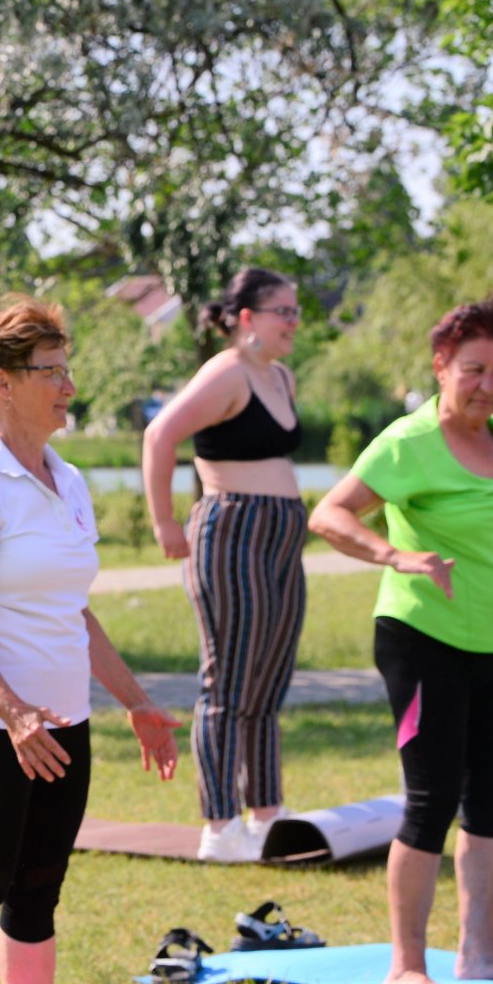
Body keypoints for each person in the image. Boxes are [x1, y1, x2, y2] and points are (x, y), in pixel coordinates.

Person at [310, 296, 493, 984]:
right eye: (473, 370)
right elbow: (329, 513)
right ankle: (406, 965)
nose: (488, 386)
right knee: (431, 798)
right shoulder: (408, 443)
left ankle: (480, 953)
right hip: (423, 640)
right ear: (441, 367)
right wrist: (394, 556)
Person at [0, 297, 181, 984]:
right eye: (51, 371)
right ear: (2, 382)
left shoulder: (68, 479)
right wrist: (14, 712)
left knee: (38, 892)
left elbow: (76, 612)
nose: (69, 386)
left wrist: (137, 703)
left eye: (68, 369)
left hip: (65, 721)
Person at [140, 267, 306, 861]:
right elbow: (160, 435)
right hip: (231, 530)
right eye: (281, 311)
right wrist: (164, 521)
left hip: (283, 534)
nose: (293, 322)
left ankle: (266, 814)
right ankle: (219, 823)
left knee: (269, 679)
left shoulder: (279, 376)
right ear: (245, 318)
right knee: (230, 681)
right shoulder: (226, 371)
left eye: (295, 311)